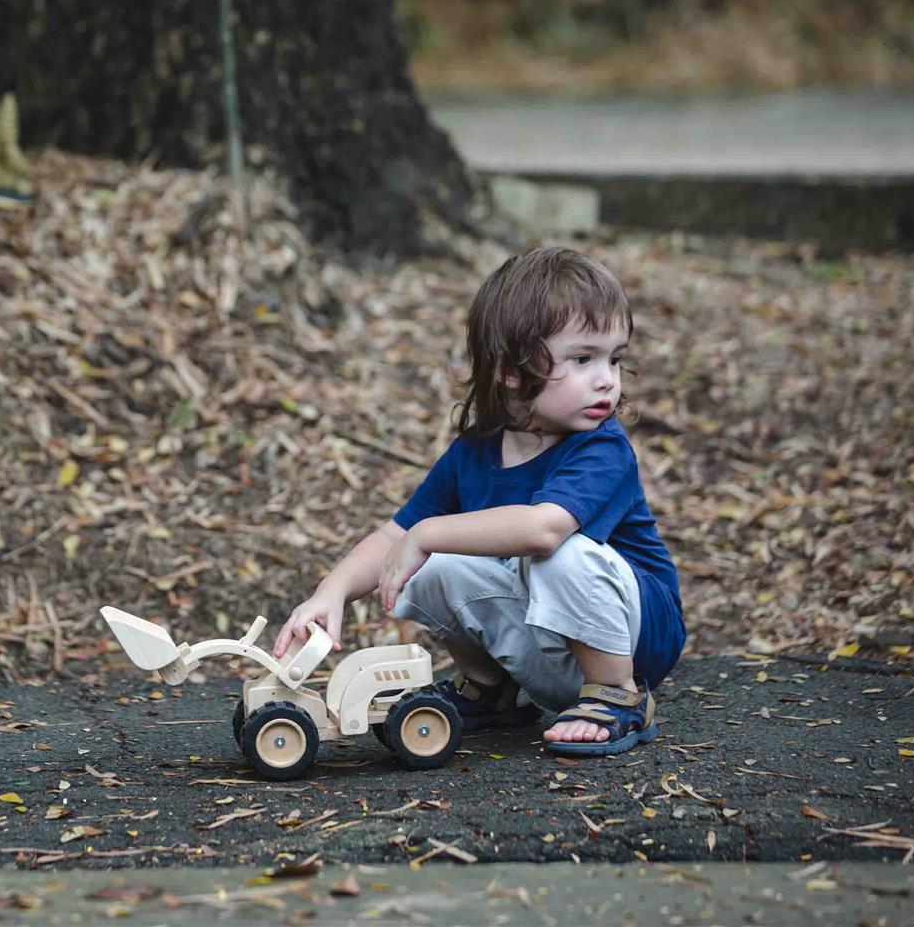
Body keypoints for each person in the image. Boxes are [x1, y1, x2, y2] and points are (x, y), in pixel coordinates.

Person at [274, 246, 685, 756]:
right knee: (434, 565)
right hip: (549, 637)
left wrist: (427, 535)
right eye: (583, 359)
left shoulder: (602, 448)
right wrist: (330, 593)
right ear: (512, 371)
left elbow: (542, 529)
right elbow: (395, 535)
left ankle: (617, 697)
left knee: (557, 550)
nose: (607, 378)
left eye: (615, 359)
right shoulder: (474, 454)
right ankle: (491, 689)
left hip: (635, 637)